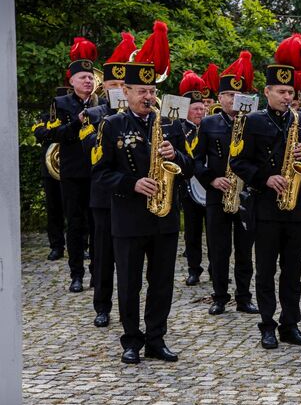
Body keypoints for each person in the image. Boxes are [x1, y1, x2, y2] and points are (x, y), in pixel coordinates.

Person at [93, 20, 193, 364]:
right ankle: (131, 341)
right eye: (141, 91)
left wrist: (174, 155)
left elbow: (189, 166)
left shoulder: (170, 123)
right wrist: (131, 183)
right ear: (128, 93)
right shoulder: (112, 125)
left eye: (152, 92)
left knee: (162, 282)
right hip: (129, 216)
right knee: (130, 283)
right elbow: (99, 173)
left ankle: (156, 339)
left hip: (164, 216)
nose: (148, 97)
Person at [229, 34, 301, 350]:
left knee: (293, 272)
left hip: (299, 209)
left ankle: (290, 324)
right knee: (266, 270)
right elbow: (237, 160)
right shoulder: (252, 121)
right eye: (280, 92)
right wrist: (265, 178)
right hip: (266, 208)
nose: (286, 97)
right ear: (266, 92)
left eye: (290, 92)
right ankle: (267, 324)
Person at [193, 53, 259, 315]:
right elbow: (197, 161)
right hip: (217, 194)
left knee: (245, 250)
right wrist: (212, 179)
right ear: (219, 98)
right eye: (228, 94)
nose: (233, 99)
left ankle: (244, 297)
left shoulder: (252, 122)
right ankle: (220, 296)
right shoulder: (208, 123)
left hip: (246, 194)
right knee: (219, 250)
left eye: (237, 94)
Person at [81, 32, 137, 327]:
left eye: (121, 86)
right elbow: (89, 148)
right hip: (104, 197)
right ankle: (102, 305)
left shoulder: (140, 115)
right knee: (103, 254)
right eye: (112, 85)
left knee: (131, 258)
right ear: (105, 87)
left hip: (132, 198)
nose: (116, 90)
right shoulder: (93, 114)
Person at [48, 37, 103, 293]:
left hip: (97, 172)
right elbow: (52, 136)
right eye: (82, 77)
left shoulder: (101, 105)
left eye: (90, 77)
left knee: (97, 224)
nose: (88, 81)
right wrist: (75, 123)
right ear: (71, 81)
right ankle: (76, 273)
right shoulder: (61, 104)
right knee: (76, 224)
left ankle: (97, 273)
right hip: (71, 172)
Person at [177, 70, 210, 287]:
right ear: (186, 111)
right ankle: (193, 269)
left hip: (209, 184)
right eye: (195, 109)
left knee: (215, 231)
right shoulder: (179, 130)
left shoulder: (211, 128)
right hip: (188, 185)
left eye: (202, 108)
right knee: (192, 230)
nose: (199, 112)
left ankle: (217, 268)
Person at [32, 85, 69, 262]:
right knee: (54, 210)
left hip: (72, 170)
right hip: (51, 170)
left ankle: (82, 244)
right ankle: (56, 246)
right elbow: (38, 132)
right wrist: (53, 131)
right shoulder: (47, 117)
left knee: (77, 210)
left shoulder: (73, 118)